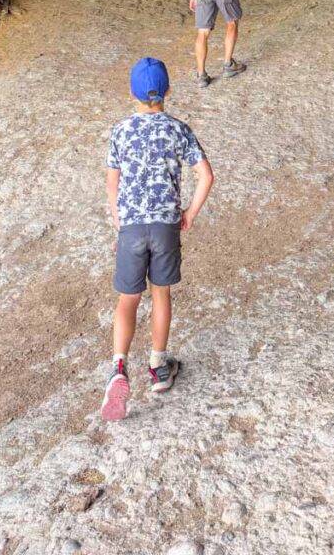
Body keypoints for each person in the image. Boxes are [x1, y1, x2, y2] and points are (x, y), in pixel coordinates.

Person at [101, 57, 214, 421]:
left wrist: (120, 221)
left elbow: (112, 184)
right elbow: (206, 176)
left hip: (132, 226)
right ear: (167, 90)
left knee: (128, 298)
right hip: (166, 225)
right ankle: (158, 366)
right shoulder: (178, 129)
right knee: (161, 293)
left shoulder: (120, 131)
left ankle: (119, 369)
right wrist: (189, 214)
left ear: (131, 92)